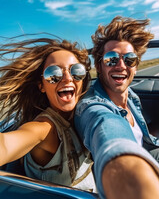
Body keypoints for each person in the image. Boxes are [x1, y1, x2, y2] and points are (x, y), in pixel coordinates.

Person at [74, 16, 159, 199]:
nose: (121, 65)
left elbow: (140, 137)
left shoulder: (129, 96)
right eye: (111, 59)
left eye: (129, 59)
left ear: (136, 66)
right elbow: (109, 133)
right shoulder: (91, 107)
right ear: (99, 65)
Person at [0, 37, 97, 192]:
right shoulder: (45, 128)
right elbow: (5, 145)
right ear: (42, 86)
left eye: (76, 71)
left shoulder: (84, 112)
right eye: (54, 73)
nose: (67, 78)